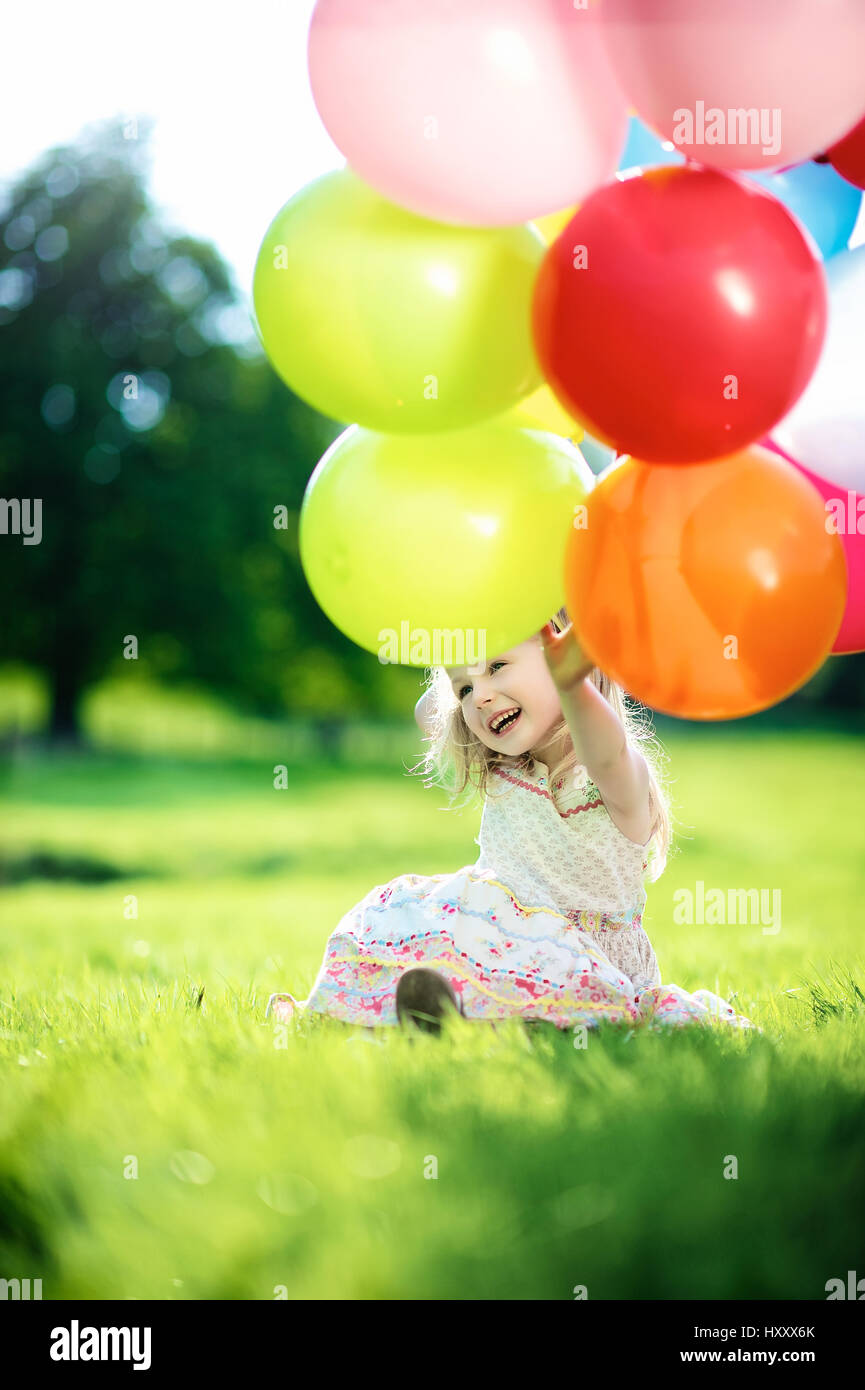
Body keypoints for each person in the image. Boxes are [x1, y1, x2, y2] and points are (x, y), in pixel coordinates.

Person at [266, 606, 758, 1036]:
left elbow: (603, 749)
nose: (479, 697)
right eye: (464, 689)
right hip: (496, 940)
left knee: (530, 999)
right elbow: (430, 711)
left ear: (566, 657)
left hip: (582, 957)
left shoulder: (614, 778)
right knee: (400, 920)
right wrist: (458, 623)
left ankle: (468, 1022)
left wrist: (570, 683)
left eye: (498, 666)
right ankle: (361, 1016)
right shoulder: (502, 769)